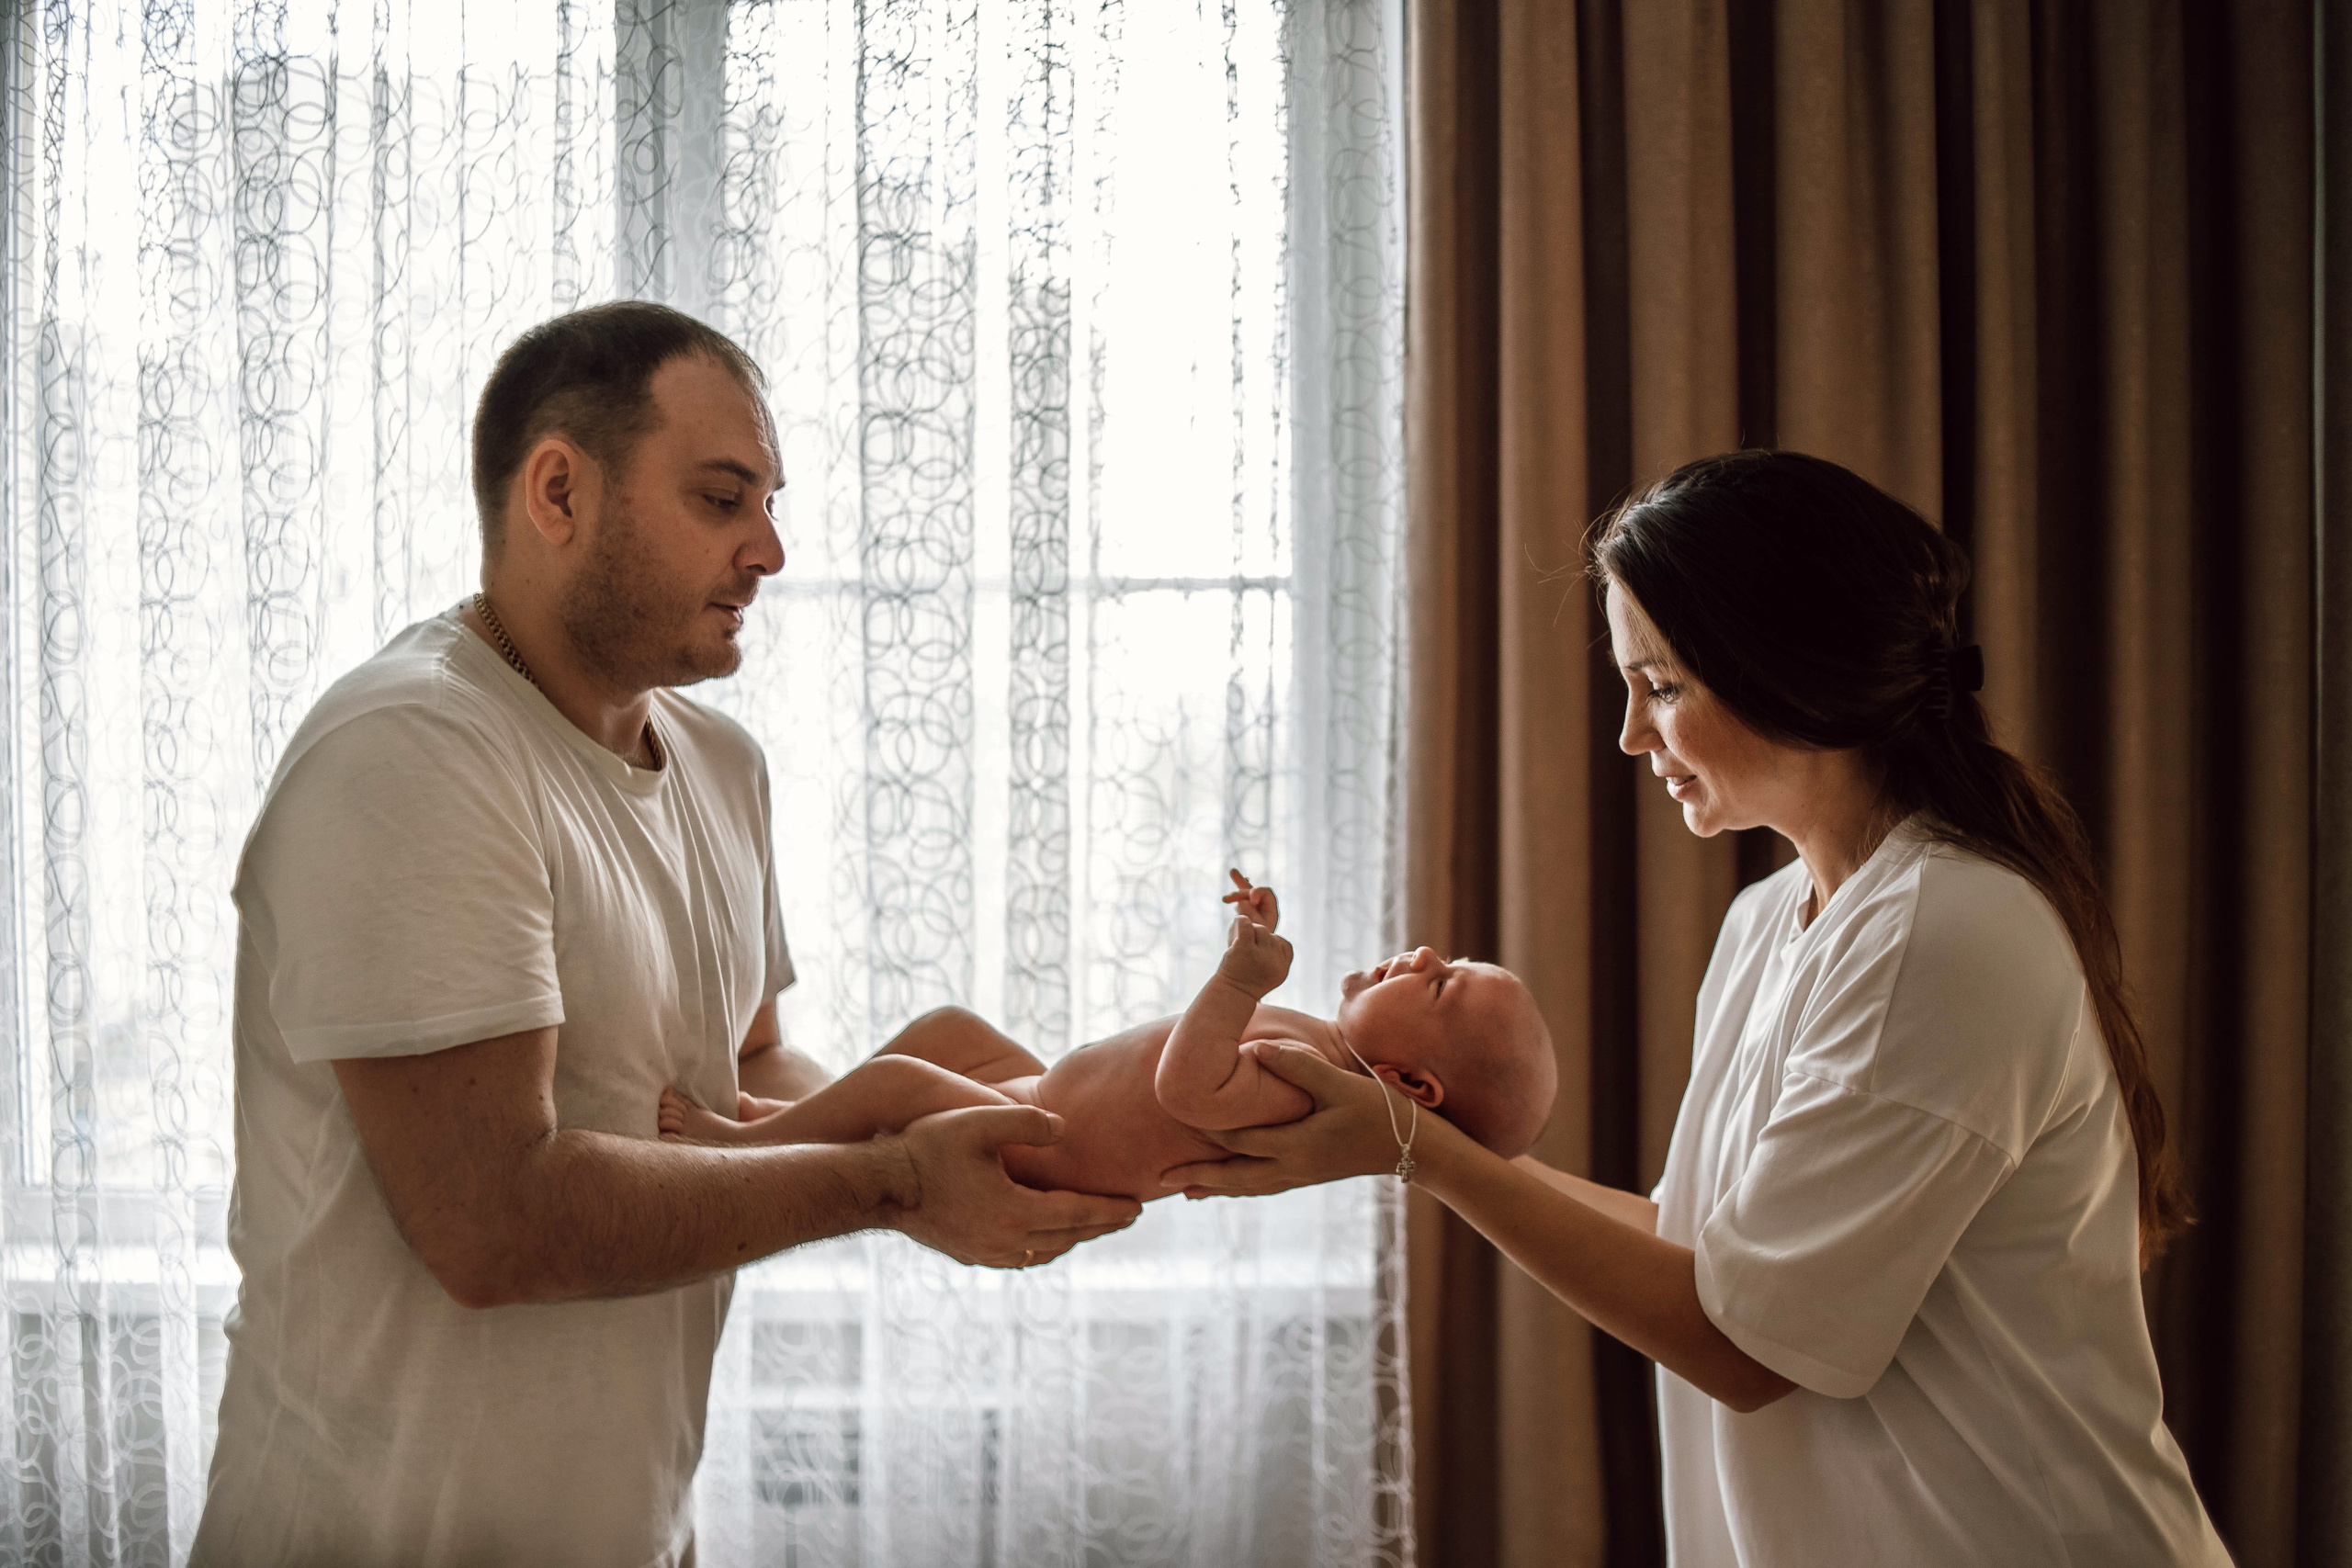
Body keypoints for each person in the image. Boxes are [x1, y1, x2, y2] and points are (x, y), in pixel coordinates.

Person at [191, 301, 1141, 1568]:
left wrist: (956, 1109)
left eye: (769, 503)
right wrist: (897, 1178)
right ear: (558, 491)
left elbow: (741, 1073)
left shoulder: (722, 764)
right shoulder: (412, 752)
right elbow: (496, 1222)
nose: (771, 550)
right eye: (721, 498)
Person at [1166, 451, 2233, 1565]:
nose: (1632, 734)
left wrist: (1414, 1151)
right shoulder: (1769, 921)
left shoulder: (1945, 935)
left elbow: (1749, 1349)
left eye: (1662, 687)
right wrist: (1399, 1133)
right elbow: (1703, 1256)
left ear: (1788, 669)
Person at [657, 871, 1558, 1199]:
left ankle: (746, 1144)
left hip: (1040, 1145)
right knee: (949, 1030)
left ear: (1409, 1083)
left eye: (1440, 983)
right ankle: (812, 1111)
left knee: (901, 1082)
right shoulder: (1318, 1045)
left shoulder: (1311, 1088)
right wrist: (1247, 949)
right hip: (1042, 1094)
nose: (1424, 953)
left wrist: (1238, 979)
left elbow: (1185, 1087)